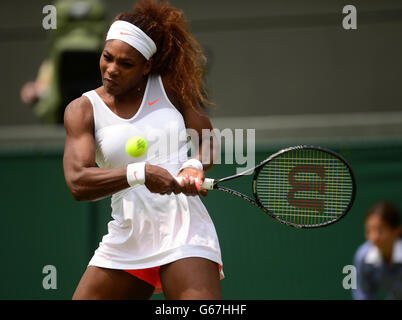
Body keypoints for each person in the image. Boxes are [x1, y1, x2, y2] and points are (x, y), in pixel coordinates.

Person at [63, 0, 223, 300]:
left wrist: (195, 166)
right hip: (128, 232)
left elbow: (209, 140)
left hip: (183, 228)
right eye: (107, 57)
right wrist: (141, 173)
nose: (111, 70)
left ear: (146, 66)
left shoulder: (168, 88)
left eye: (125, 64)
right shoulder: (83, 110)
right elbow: (77, 182)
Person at [352, 202, 402, 300]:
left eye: (380, 230)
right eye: (369, 231)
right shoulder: (363, 256)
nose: (374, 237)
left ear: (397, 230)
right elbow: (363, 294)